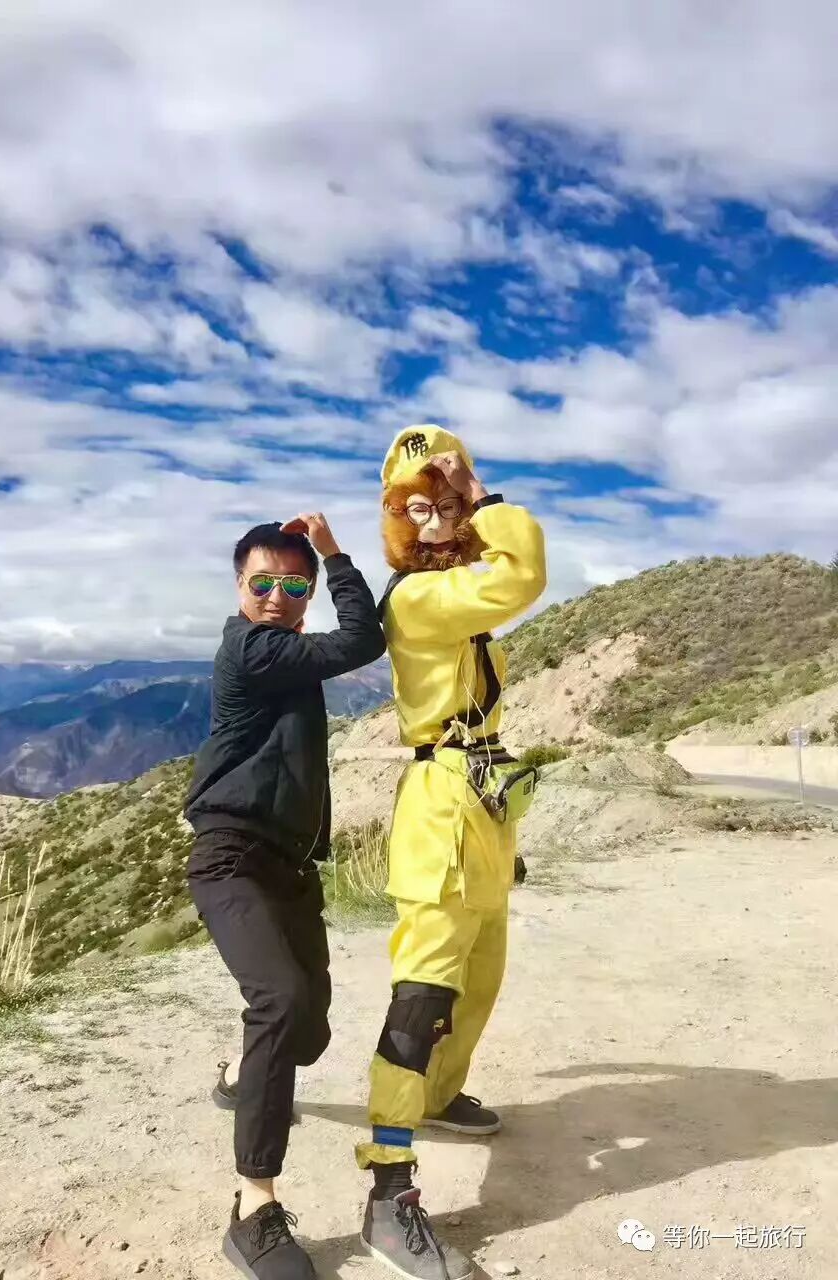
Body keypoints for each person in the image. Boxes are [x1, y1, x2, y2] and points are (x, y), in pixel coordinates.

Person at [355, 426, 547, 1280]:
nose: (434, 522)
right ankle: (387, 1192)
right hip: (441, 811)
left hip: (482, 808)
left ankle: (434, 1097)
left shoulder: (453, 592)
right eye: (417, 509)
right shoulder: (416, 599)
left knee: (481, 980)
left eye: (444, 505)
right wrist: (481, 496)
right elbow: (521, 576)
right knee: (423, 998)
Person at [184, 515, 386, 1280]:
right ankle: (254, 1208)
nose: (275, 596)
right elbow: (362, 640)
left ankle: (243, 1078)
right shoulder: (254, 648)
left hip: (291, 869)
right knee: (280, 1000)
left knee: (306, 1030)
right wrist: (333, 554)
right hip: (230, 857)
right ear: (239, 586)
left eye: (293, 585)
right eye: (261, 582)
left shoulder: (285, 652)